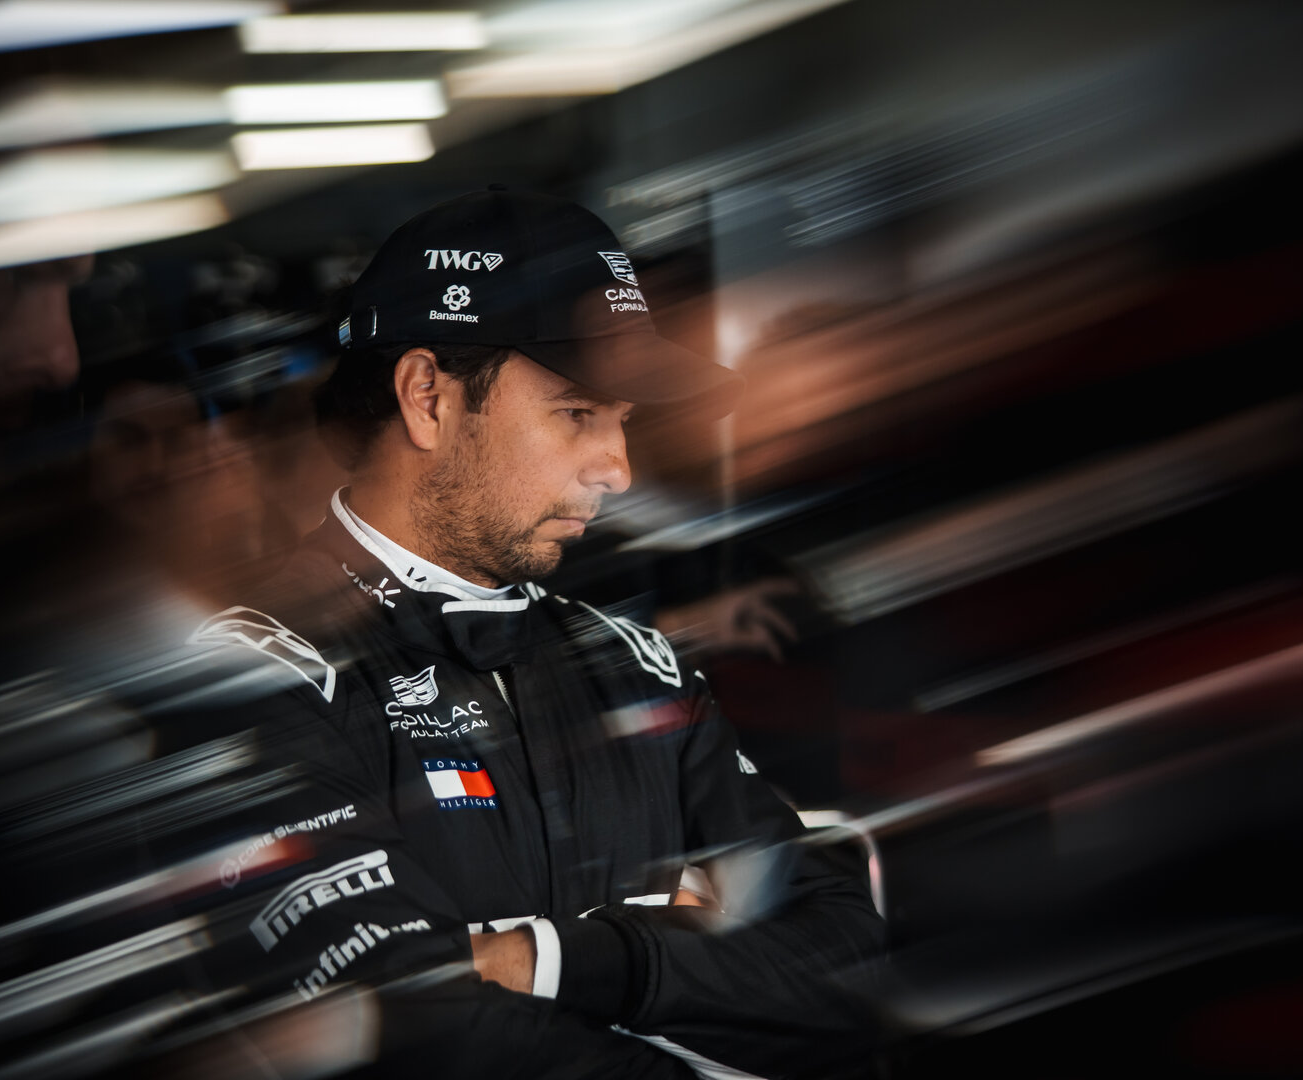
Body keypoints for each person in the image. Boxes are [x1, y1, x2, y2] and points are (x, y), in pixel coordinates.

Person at [166, 188, 887, 1079]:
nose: (618, 469)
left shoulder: (636, 668)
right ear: (427, 396)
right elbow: (394, 1027)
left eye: (624, 420)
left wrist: (544, 959)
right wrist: (680, 960)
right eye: (578, 412)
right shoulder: (248, 675)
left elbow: (841, 957)